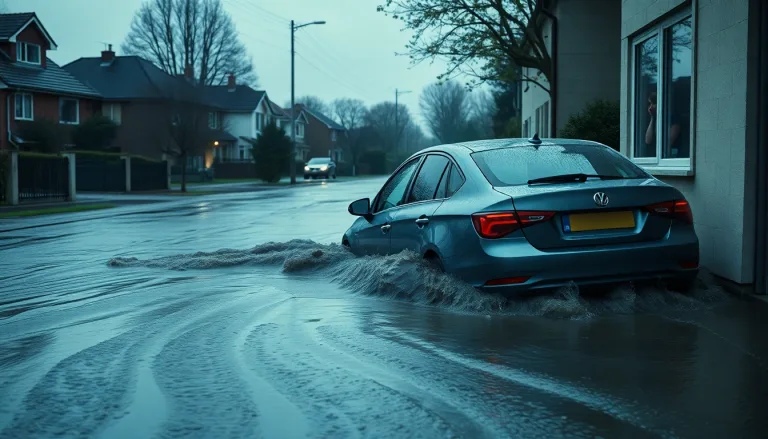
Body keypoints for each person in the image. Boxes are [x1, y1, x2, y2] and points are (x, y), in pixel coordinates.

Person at [644, 89, 689, 158]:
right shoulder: (655, 119)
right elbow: (648, 140)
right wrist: (652, 118)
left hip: (673, 156)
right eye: (649, 104)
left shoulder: (673, 118)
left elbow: (669, 142)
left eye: (653, 103)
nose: (651, 107)